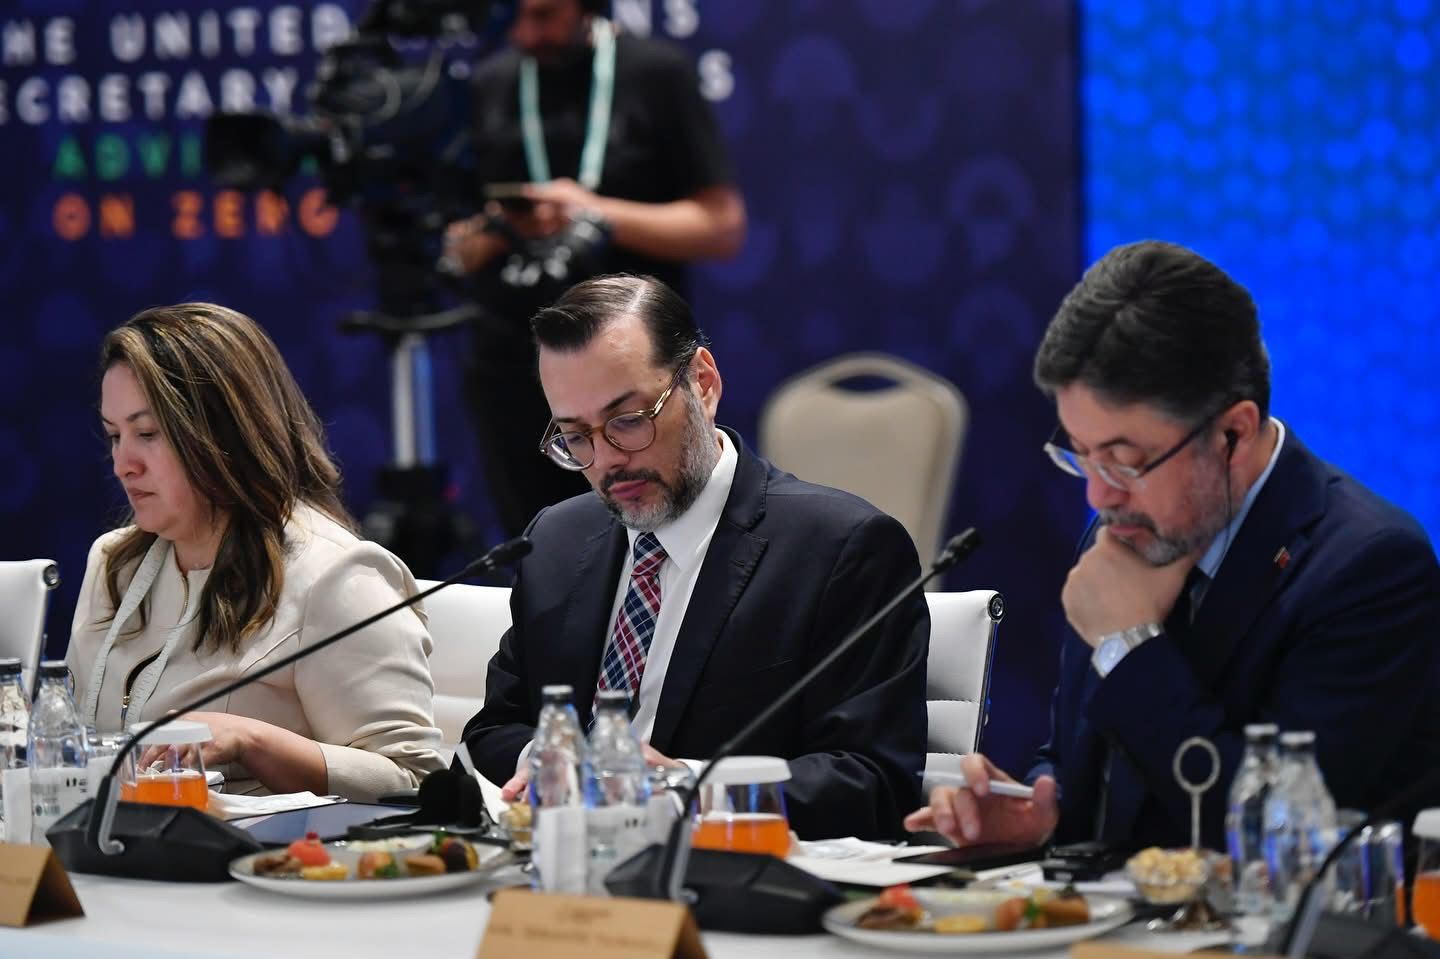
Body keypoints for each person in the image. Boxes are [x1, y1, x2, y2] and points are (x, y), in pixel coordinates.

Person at [906, 240, 1440, 850]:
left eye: (1124, 460)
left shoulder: (1369, 567)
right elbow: (1088, 762)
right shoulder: (1125, 531)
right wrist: (1040, 815)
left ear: (1233, 433)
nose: (1100, 495)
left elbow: (1279, 835)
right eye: (1081, 457)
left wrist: (1130, 646)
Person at [461, 274, 927, 840]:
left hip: (730, 873)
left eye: (628, 420)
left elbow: (873, 782)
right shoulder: (556, 541)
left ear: (702, 384)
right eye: (575, 436)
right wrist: (552, 761)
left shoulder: (840, 547)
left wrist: (686, 789)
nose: (606, 461)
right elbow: (493, 731)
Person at [68, 304, 447, 801]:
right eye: (115, 436)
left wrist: (254, 742)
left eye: (148, 434)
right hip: (110, 841)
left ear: (224, 433)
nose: (123, 464)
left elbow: (415, 781)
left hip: (259, 850)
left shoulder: (336, 576)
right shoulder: (114, 563)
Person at [444, 0, 746, 538]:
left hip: (632, 359)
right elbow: (456, 247)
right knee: (537, 541)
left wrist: (593, 214)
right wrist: (501, 227)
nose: (527, 33)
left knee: (656, 531)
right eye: (516, 16)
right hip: (511, 361)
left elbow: (720, 226)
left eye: (544, 15)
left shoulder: (654, 72)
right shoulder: (491, 82)